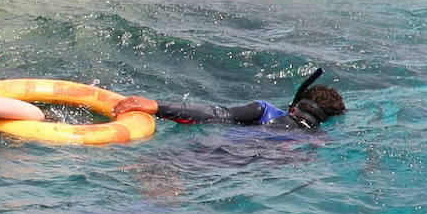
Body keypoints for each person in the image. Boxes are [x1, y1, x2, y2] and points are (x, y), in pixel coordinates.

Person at [111, 69, 345, 133]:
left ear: (295, 106)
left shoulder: (265, 111)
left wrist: (157, 106)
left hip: (218, 152)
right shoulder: (315, 143)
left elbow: (217, 114)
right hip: (237, 172)